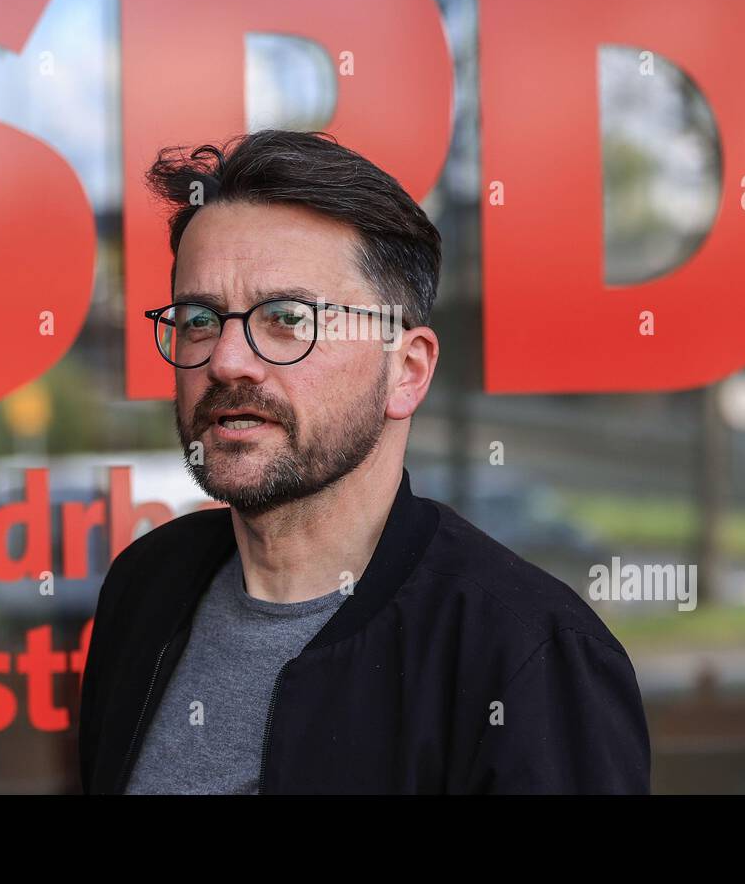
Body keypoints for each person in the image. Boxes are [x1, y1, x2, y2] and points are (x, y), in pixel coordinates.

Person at [78, 130, 650, 794]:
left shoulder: (529, 657)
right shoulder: (147, 588)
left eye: (287, 317)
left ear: (406, 372)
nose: (227, 359)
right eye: (200, 317)